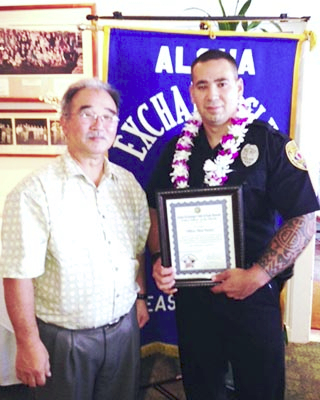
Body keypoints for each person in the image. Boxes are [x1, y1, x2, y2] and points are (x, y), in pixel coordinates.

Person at [146, 49, 320, 400]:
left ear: (239, 87)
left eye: (222, 83)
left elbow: (303, 217)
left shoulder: (269, 145)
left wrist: (256, 276)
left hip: (253, 295)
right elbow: (155, 211)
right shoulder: (175, 150)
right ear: (191, 92)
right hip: (195, 300)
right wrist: (161, 258)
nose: (213, 95)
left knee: (260, 390)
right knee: (202, 388)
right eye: (202, 85)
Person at [0, 78, 150, 400]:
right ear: (64, 122)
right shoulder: (34, 192)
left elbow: (136, 249)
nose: (99, 124)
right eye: (87, 114)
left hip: (124, 332)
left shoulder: (128, 184)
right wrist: (28, 343)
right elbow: (17, 274)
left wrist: (139, 297)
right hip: (64, 343)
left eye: (108, 115)